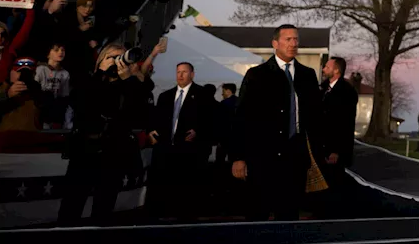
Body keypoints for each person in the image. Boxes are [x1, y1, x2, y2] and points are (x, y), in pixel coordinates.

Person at [230, 24, 323, 221]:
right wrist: (238, 156)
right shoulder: (257, 75)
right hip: (263, 155)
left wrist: (316, 152)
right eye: (288, 39)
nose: (293, 43)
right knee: (258, 212)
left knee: (288, 214)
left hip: (295, 156)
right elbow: (241, 117)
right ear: (275, 43)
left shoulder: (307, 75)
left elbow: (315, 117)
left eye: (296, 39)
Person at [58, 44, 152, 224]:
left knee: (104, 205)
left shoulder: (128, 85)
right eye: (111, 57)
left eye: (120, 57)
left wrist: (127, 80)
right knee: (72, 204)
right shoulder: (87, 81)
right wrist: (101, 75)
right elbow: (82, 104)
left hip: (113, 152)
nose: (116, 61)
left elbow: (139, 113)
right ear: (100, 60)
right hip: (84, 151)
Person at [148, 61, 214, 220]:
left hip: (189, 151)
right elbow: (156, 119)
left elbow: (211, 120)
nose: (181, 75)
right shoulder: (165, 96)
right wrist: (151, 132)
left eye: (184, 72)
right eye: (178, 72)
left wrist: (198, 132)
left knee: (186, 189)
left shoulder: (202, 95)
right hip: (166, 149)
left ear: (192, 74)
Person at [318, 56, 358, 215]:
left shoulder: (346, 92)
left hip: (336, 149)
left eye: (327, 67)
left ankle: (335, 216)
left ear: (336, 70)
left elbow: (344, 124)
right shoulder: (323, 89)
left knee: (335, 183)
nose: (323, 69)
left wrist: (336, 150)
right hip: (321, 145)